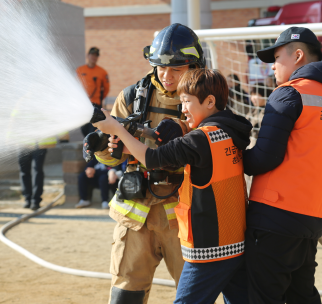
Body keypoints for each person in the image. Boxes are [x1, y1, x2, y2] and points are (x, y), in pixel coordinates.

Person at [93, 69, 252, 303]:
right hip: (235, 244)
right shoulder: (229, 132)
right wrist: (129, 145)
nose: (183, 108)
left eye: (186, 101)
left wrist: (117, 130)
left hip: (207, 250)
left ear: (209, 102)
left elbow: (153, 158)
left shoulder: (200, 139)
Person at [82, 23, 205, 304]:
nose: (167, 75)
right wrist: (103, 147)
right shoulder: (131, 97)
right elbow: (115, 154)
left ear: (194, 65)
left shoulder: (206, 100)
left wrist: (184, 129)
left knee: (194, 296)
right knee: (125, 294)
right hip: (135, 220)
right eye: (160, 67)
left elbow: (218, 141)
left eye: (176, 68)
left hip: (185, 221)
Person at [241, 27, 322, 303]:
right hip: (313, 219)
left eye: (277, 57)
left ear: (298, 56)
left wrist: (231, 156)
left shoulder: (288, 94)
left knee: (260, 295)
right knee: (301, 295)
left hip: (273, 215)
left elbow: (264, 158)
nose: (271, 67)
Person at [77, 47, 110, 137]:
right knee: (84, 127)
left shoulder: (102, 72)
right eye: (92, 55)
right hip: (83, 103)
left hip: (95, 104)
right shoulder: (80, 70)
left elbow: (106, 89)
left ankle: (90, 145)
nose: (94, 57)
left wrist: (98, 98)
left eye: (96, 55)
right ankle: (87, 143)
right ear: (88, 55)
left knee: (93, 127)